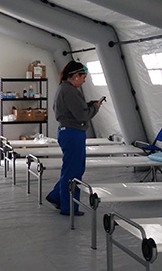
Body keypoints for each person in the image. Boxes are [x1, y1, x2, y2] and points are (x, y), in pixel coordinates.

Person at [45, 61, 103, 216]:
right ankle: (68, 206)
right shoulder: (69, 91)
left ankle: (57, 196)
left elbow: (77, 108)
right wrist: (95, 108)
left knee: (71, 169)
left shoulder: (65, 88)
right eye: (83, 77)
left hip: (69, 132)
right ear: (76, 76)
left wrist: (90, 105)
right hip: (73, 132)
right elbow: (82, 115)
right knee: (73, 172)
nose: (84, 81)